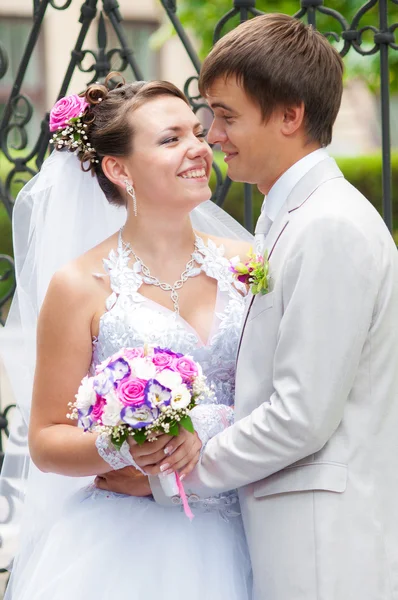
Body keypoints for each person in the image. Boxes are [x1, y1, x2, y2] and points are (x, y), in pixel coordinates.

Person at [107, 13, 398, 600]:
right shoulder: (288, 218)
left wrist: (169, 479)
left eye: (227, 116)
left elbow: (300, 417)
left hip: (322, 548)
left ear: (290, 115)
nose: (211, 136)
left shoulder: (329, 227)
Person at [1, 74, 254, 599]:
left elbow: (288, 394)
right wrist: (129, 448)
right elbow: (48, 439)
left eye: (197, 131)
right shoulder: (77, 286)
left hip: (253, 523)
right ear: (118, 169)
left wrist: (208, 428)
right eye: (171, 139)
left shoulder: (247, 266)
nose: (199, 148)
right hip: (130, 548)